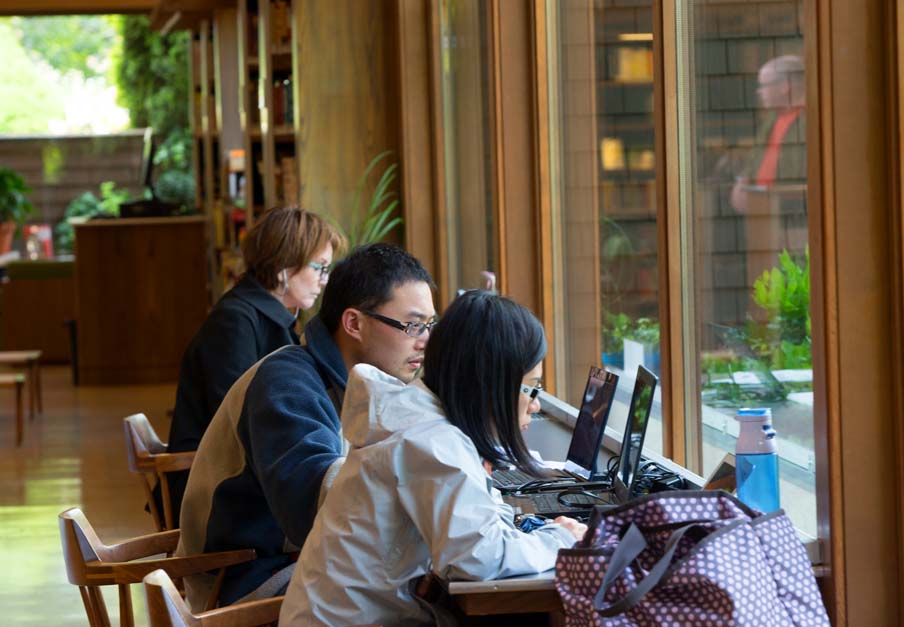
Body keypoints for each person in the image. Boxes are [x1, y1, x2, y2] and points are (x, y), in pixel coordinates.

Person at [279, 291, 587, 627]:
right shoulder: (433, 442)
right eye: (531, 387)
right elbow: (480, 558)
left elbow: (476, 529)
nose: (535, 404)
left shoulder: (421, 420)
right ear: (491, 384)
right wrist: (561, 540)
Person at [176, 243, 437, 609]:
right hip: (248, 579)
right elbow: (313, 508)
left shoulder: (365, 384)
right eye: (412, 325)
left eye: (429, 325)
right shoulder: (287, 383)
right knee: (430, 604)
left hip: (302, 561)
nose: (424, 341)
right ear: (353, 324)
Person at [160, 206, 343, 526]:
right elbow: (235, 417)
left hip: (242, 475)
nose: (323, 281)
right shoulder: (235, 321)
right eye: (319, 268)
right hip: (215, 491)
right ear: (286, 262)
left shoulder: (271, 318)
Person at [730, 54, 806, 213]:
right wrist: (742, 181)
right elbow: (754, 159)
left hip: (794, 213)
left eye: (764, 85)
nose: (759, 92)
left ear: (785, 86)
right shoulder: (772, 119)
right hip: (763, 212)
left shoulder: (811, 121)